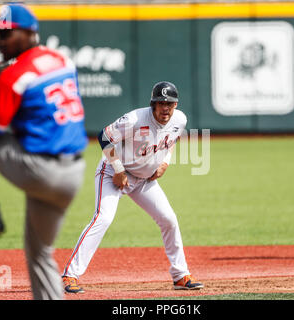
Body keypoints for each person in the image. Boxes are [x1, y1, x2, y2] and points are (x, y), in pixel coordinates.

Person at [0, 3, 88, 299]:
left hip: (42, 171)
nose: (0, 42)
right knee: (40, 253)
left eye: (8, 34)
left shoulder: (13, 77)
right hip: (73, 175)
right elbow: (38, 113)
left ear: (30, 33)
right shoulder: (62, 60)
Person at [61, 81, 204, 293]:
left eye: (170, 103)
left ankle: (181, 275)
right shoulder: (135, 119)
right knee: (103, 218)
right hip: (113, 174)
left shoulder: (179, 119)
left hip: (143, 180)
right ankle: (69, 276)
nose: (166, 108)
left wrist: (165, 163)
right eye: (161, 103)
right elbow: (104, 137)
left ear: (176, 105)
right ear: (153, 104)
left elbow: (171, 140)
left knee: (169, 220)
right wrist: (118, 169)